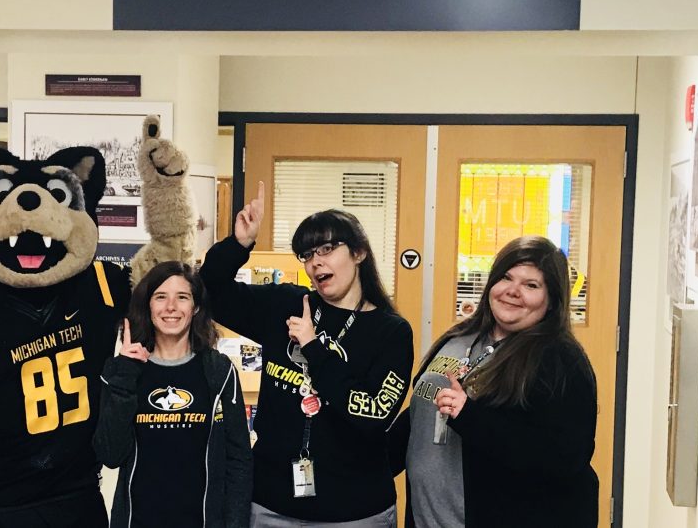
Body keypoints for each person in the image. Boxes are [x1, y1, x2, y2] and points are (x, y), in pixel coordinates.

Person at [200, 183, 414, 527]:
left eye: (327, 249)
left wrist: (314, 349)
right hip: (273, 505)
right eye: (307, 255)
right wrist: (238, 244)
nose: (316, 263)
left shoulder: (390, 332)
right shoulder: (288, 305)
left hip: (355, 512)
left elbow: (373, 415)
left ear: (358, 253)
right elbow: (211, 292)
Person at [389, 235, 598, 528]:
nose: (513, 291)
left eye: (531, 285)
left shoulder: (560, 360)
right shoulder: (458, 338)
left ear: (551, 301)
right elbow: (419, 416)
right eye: (506, 277)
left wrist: (470, 416)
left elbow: (565, 458)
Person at [94, 261, 253, 528]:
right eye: (160, 297)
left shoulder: (218, 371)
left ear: (196, 307)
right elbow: (110, 455)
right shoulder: (122, 370)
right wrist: (124, 376)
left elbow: (238, 461)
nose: (171, 307)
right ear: (148, 306)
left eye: (182, 297)